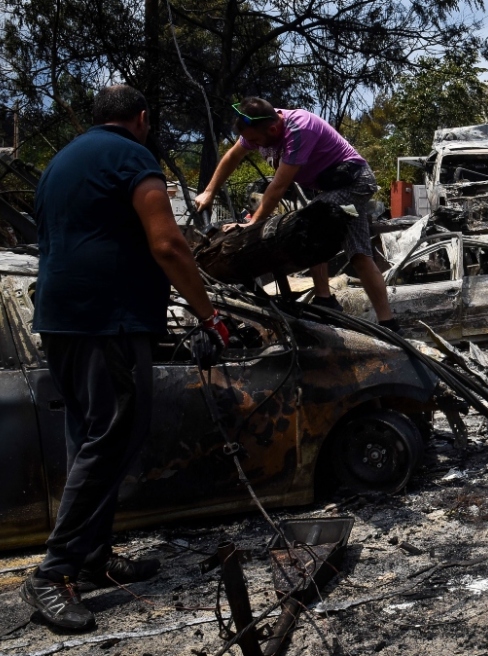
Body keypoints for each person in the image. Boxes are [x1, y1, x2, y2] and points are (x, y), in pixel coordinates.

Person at [23, 85, 229, 631]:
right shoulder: (134, 156)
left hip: (59, 319)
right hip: (106, 321)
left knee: (88, 437)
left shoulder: (60, 163)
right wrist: (209, 315)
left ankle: (91, 558)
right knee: (115, 434)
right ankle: (53, 574)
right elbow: (167, 243)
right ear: (141, 119)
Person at [192, 97, 399, 331]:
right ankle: (388, 322)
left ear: (273, 128)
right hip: (331, 187)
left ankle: (325, 301)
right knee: (360, 256)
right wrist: (209, 191)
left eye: (255, 141)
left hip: (355, 182)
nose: (253, 145)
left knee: (313, 220)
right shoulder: (257, 127)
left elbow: (278, 186)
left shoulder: (299, 128)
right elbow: (233, 156)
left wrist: (251, 224)